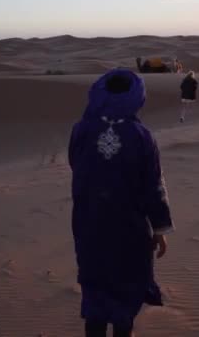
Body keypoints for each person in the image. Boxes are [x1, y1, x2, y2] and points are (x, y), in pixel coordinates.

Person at [68, 68, 175, 337]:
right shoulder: (141, 136)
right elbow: (154, 185)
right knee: (125, 290)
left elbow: (76, 166)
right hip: (129, 228)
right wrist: (160, 229)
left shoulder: (81, 130)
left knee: (96, 287)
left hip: (89, 224)